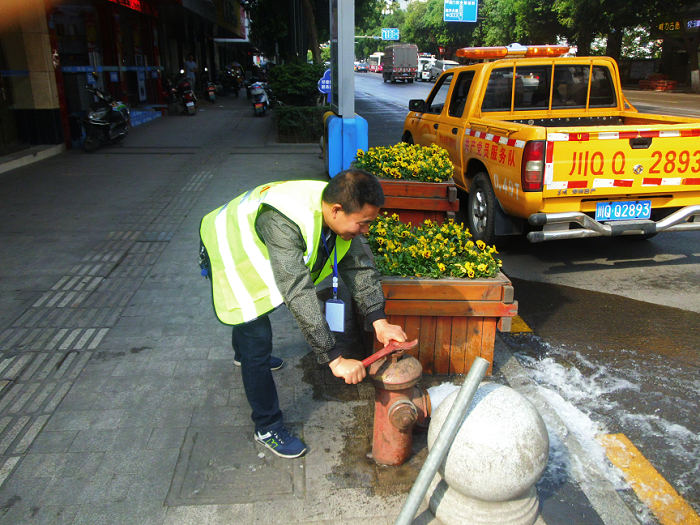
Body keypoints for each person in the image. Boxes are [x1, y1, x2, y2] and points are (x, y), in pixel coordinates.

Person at [199, 170, 407, 459]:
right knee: (256, 336)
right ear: (337, 211)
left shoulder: (337, 205)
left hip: (258, 247)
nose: (366, 231)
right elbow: (298, 291)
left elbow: (358, 266)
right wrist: (333, 358)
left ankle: (242, 354)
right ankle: (267, 426)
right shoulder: (284, 221)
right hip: (229, 251)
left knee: (252, 339)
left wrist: (379, 321)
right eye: (364, 224)